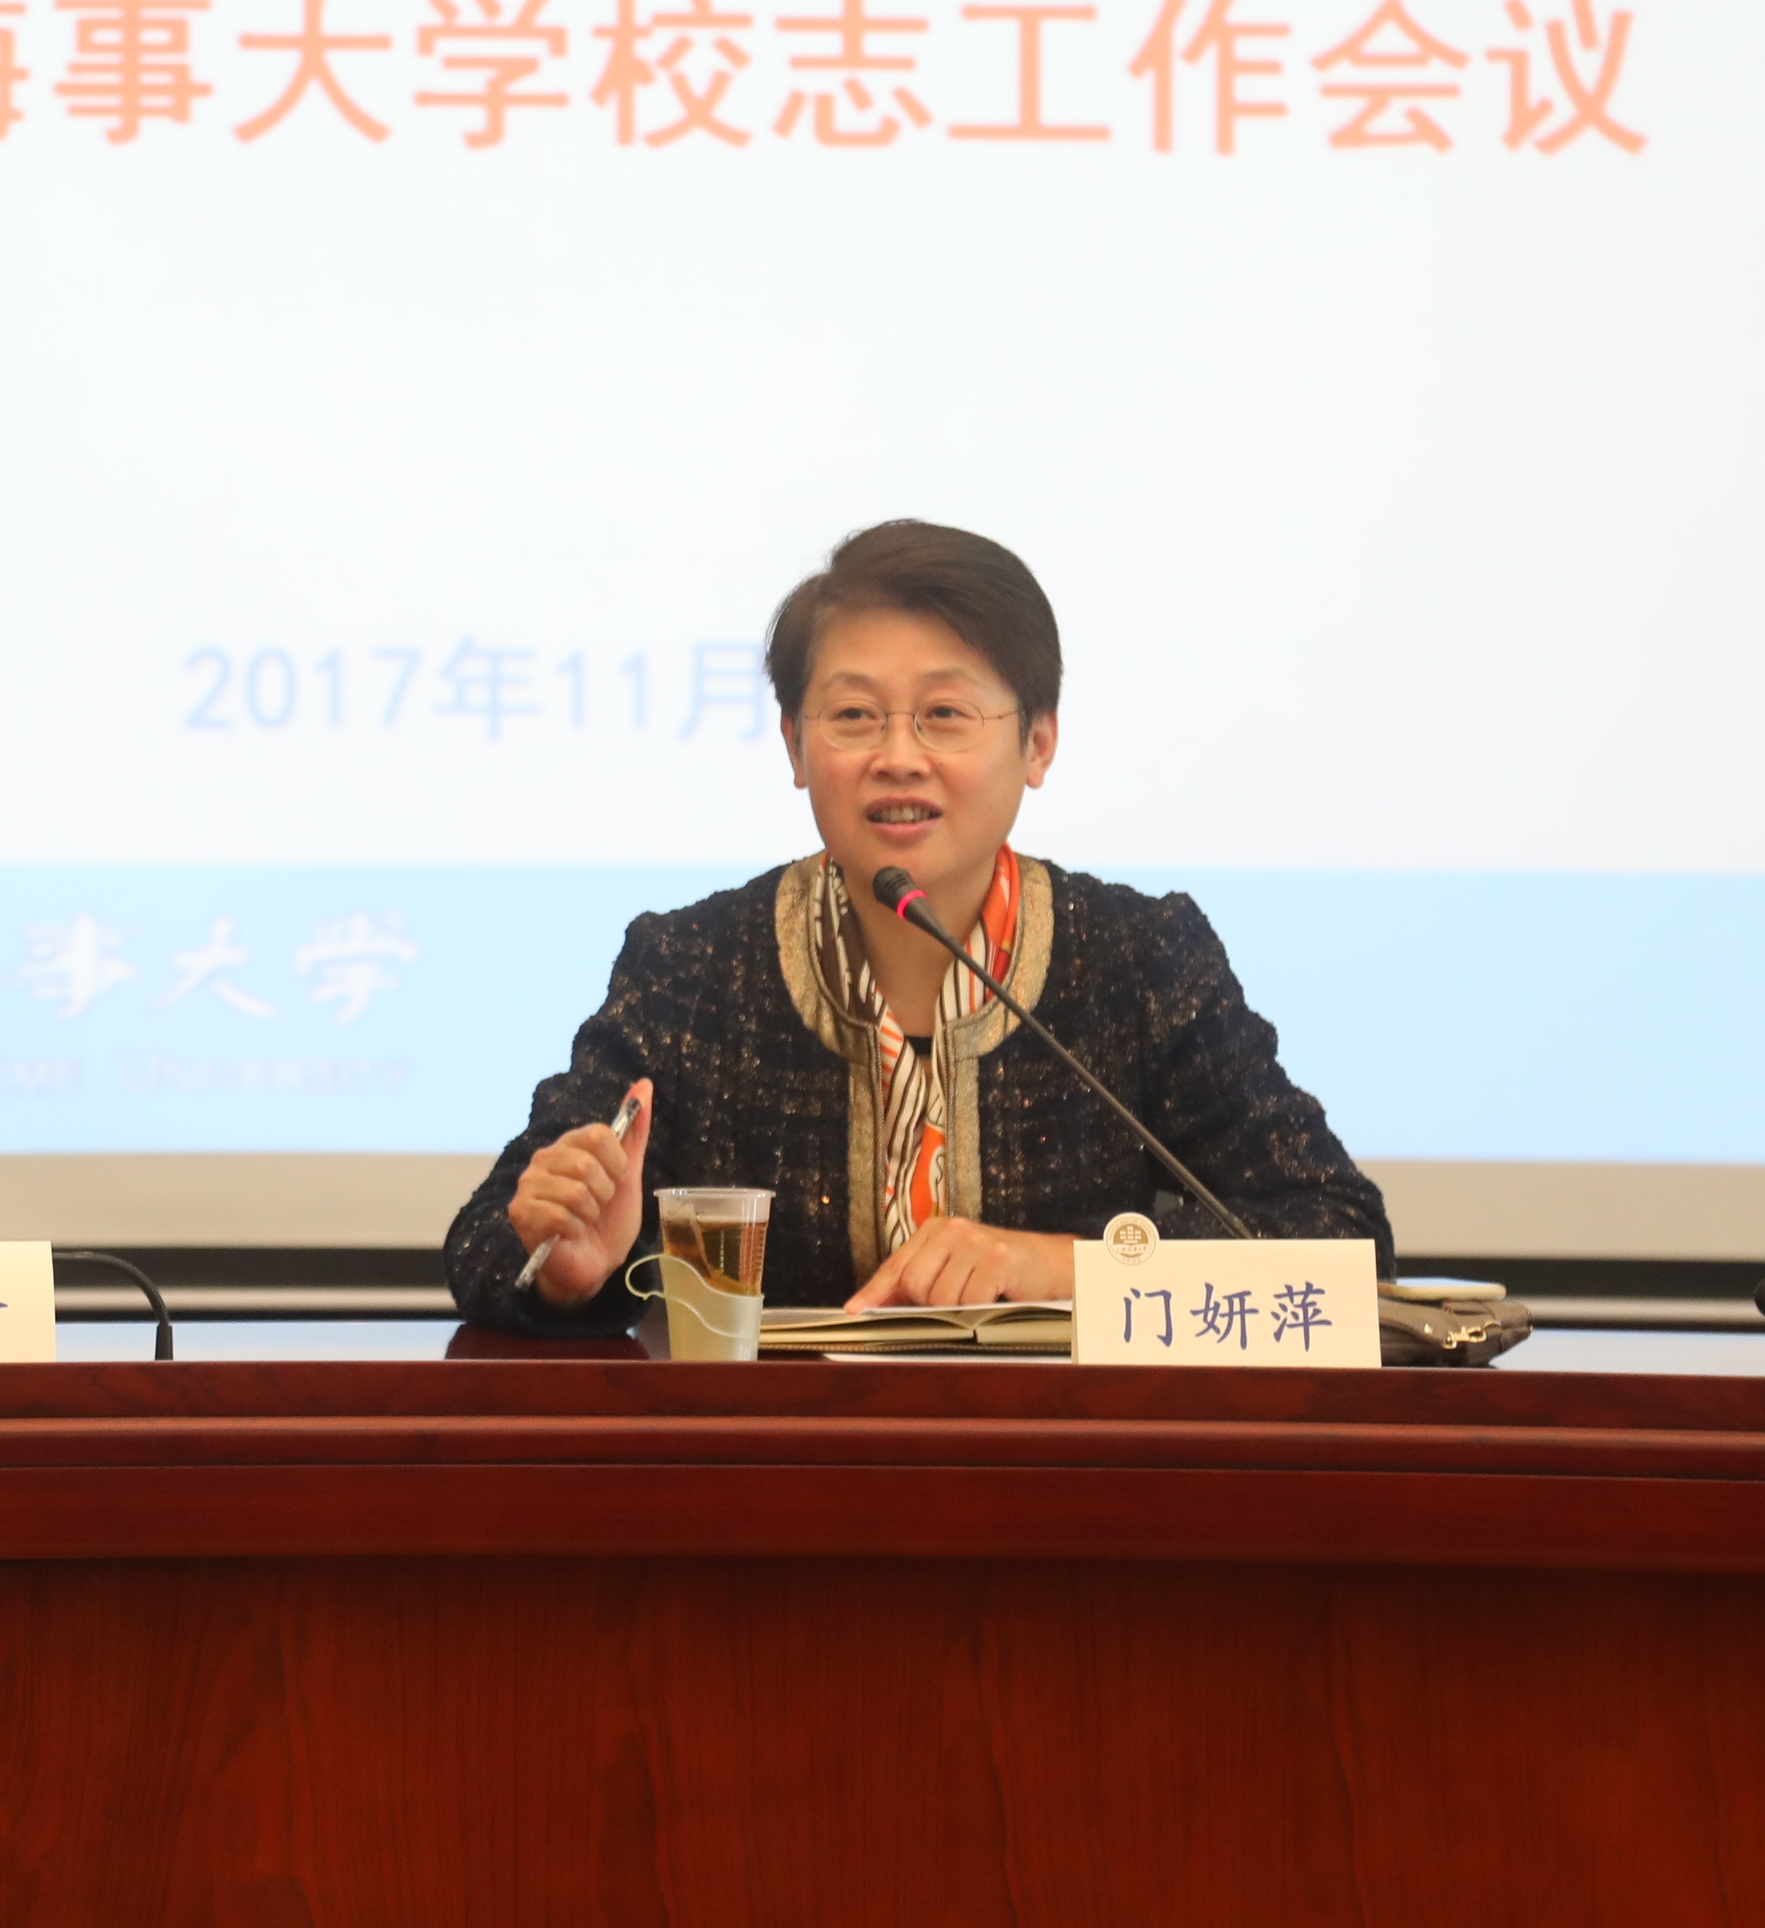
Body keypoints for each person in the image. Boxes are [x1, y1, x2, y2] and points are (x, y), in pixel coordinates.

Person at [446, 520, 1388, 1330]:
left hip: (1068, 1464)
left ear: (1038, 743)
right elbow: (488, 1242)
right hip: (772, 1465)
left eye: (945, 713)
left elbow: (1342, 1240)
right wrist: (568, 1269)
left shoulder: (1137, 960)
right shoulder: (694, 968)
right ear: (795, 746)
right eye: (855, 715)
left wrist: (1056, 1266)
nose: (899, 756)